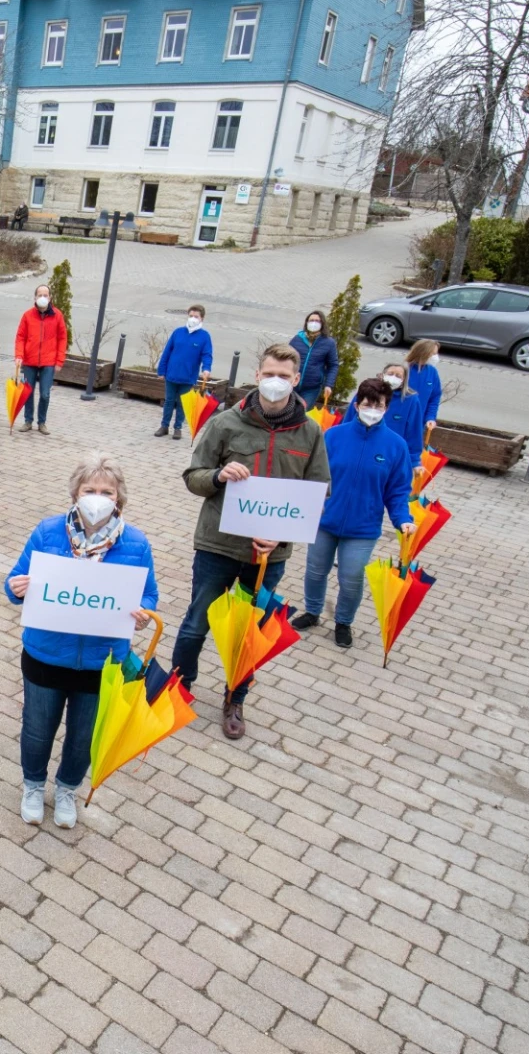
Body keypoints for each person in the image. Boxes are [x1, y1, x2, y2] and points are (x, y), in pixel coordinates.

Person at [172, 344, 331, 740]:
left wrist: (281, 535)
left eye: (284, 376)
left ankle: (235, 697)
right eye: (268, 374)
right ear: (257, 376)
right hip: (217, 546)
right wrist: (220, 475)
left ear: (296, 381)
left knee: (249, 632)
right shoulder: (228, 422)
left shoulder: (310, 432)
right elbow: (193, 475)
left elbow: (318, 491)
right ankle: (179, 686)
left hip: (268, 556)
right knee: (196, 623)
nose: (275, 382)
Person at [4, 453, 157, 828]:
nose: (98, 496)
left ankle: (68, 788)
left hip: (102, 662)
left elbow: (149, 595)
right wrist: (16, 588)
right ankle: (34, 785)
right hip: (46, 654)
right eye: (90, 489)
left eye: (107, 490)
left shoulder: (136, 543)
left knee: (84, 735)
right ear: (75, 493)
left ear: (119, 497)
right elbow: (14, 580)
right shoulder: (48, 531)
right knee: (38, 729)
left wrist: (142, 614)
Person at [292, 378, 417, 648]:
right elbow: (314, 475)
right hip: (325, 521)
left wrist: (403, 520)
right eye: (367, 404)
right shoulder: (334, 436)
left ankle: (343, 622)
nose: (372, 409)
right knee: (315, 571)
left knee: (351, 578)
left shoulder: (396, 446)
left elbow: (397, 491)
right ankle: (313, 612)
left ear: (386, 407)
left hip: (362, 529)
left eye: (379, 405)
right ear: (357, 404)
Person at [14, 283, 67, 434]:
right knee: (28, 392)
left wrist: (59, 360)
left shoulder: (57, 316)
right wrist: (19, 355)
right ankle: (28, 421)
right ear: (35, 297)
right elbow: (20, 337)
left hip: (48, 361)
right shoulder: (28, 315)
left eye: (45, 295)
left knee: (45, 393)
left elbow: (63, 338)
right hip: (30, 361)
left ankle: (42, 422)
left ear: (50, 298)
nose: (42, 298)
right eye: (40, 295)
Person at [155, 304, 214, 439]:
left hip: (188, 377)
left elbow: (207, 355)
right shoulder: (178, 332)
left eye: (196, 316)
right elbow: (167, 352)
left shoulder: (204, 337)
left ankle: (178, 428)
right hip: (172, 374)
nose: (193, 318)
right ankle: (164, 426)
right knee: (169, 401)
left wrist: (206, 368)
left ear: (202, 319)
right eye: (191, 316)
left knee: (182, 403)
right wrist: (161, 370)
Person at [357, 362, 426, 478]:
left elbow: (414, 432)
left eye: (398, 376)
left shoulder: (411, 400)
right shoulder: (367, 392)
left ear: (404, 380)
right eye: (390, 374)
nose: (393, 377)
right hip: (361, 443)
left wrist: (414, 461)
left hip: (389, 451)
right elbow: (348, 420)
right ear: (382, 375)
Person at [289, 310, 338, 408]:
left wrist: (328, 385)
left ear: (322, 324)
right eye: (311, 320)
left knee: (302, 413)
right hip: (292, 385)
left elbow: (333, 365)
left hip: (311, 389)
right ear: (306, 323)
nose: (314, 323)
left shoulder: (328, 343)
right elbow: (285, 358)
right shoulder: (297, 339)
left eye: (317, 321)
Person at [405, 339, 444, 446]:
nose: (436, 357)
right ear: (423, 353)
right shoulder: (405, 370)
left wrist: (430, 417)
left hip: (418, 423)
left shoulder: (432, 372)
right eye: (434, 354)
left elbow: (434, 397)